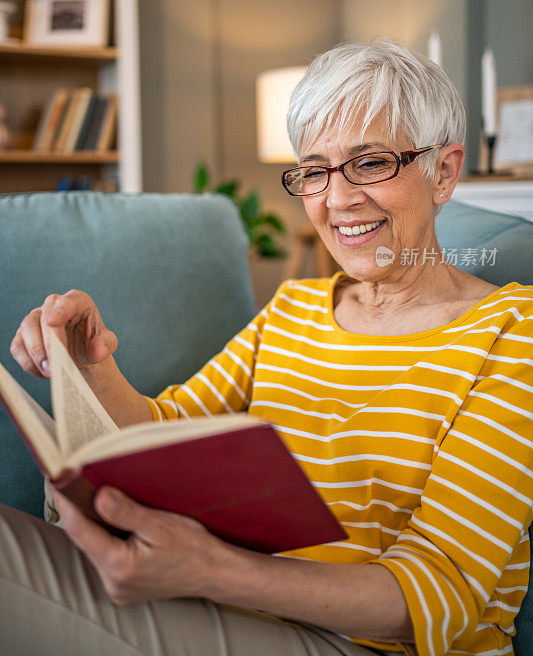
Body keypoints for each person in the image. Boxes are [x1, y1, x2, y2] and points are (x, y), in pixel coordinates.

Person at [3, 38, 532, 656]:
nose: (337, 200)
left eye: (370, 163)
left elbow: (440, 590)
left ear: (442, 172)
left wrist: (210, 571)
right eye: (314, 170)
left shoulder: (512, 335)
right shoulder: (293, 308)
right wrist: (90, 361)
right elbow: (160, 427)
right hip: (227, 612)